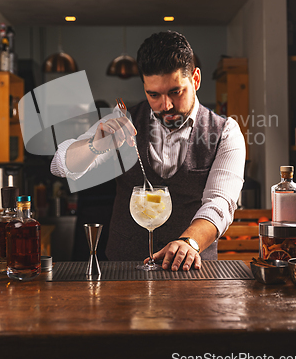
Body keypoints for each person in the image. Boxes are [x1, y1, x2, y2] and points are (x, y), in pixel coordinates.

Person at [51, 31, 245, 271]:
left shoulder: (225, 132)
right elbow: (61, 165)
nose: (166, 106)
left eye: (176, 92)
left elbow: (220, 202)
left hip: (192, 270)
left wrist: (189, 242)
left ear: (195, 79)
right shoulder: (124, 121)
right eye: (154, 95)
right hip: (125, 268)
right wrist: (96, 145)